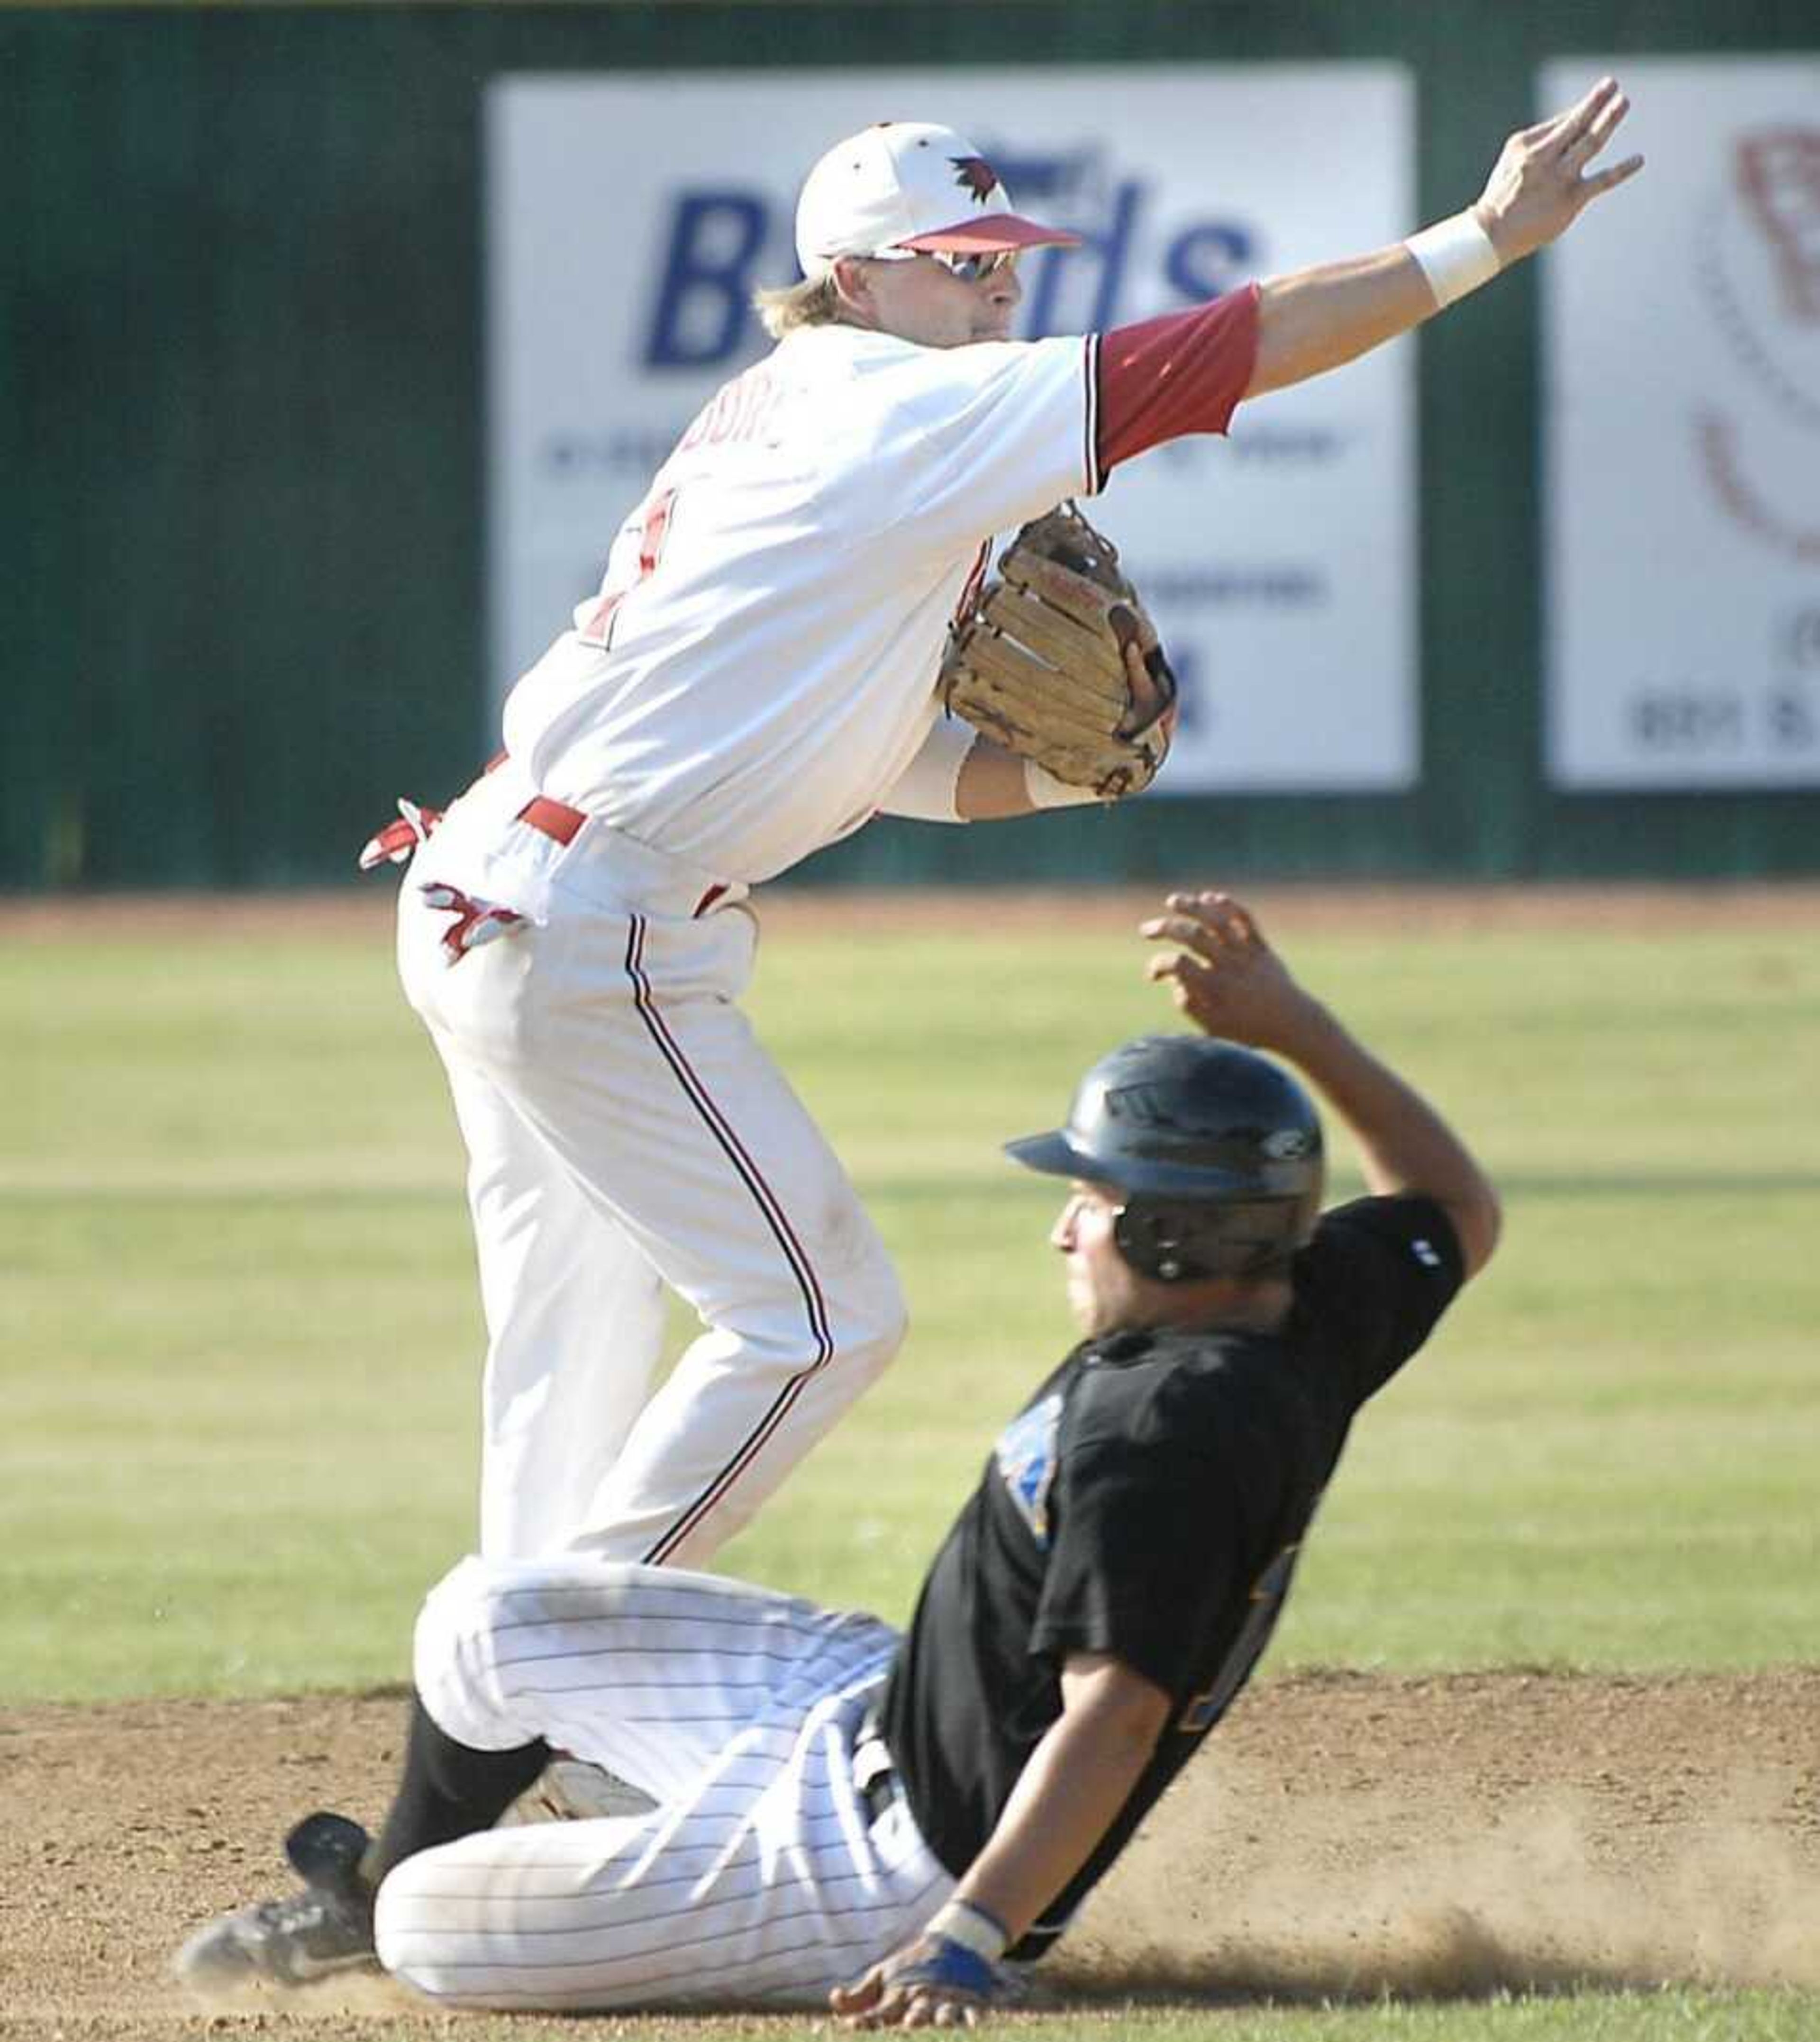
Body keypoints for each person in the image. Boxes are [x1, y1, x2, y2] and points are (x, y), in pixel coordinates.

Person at [373, 91, 1633, 1570]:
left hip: (506, 883)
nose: (1000, 284)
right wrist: (1480, 241)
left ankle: (500, 1704)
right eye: (961, 260)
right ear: (859, 281)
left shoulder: (799, 410)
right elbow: (1231, 344)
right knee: (823, 1319)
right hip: (586, 921)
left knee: (574, 1327)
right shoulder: (900, 407)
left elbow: (876, 747)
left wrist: (1058, 777)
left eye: (1006, 257)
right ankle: (559, 1663)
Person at [175, 889, 1500, 2024]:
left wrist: (971, 1939)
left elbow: (1120, 1713)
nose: (1064, 1230)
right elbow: (1456, 1206)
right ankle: (494, 1867)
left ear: (1168, 1241)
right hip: (864, 1701)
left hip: (880, 1874)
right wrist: (1291, 1030)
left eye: (1089, 1202)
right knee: (483, 1617)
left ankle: (572, 1879)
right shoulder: (1301, 1302)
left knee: (434, 1927)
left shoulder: (1168, 1433)